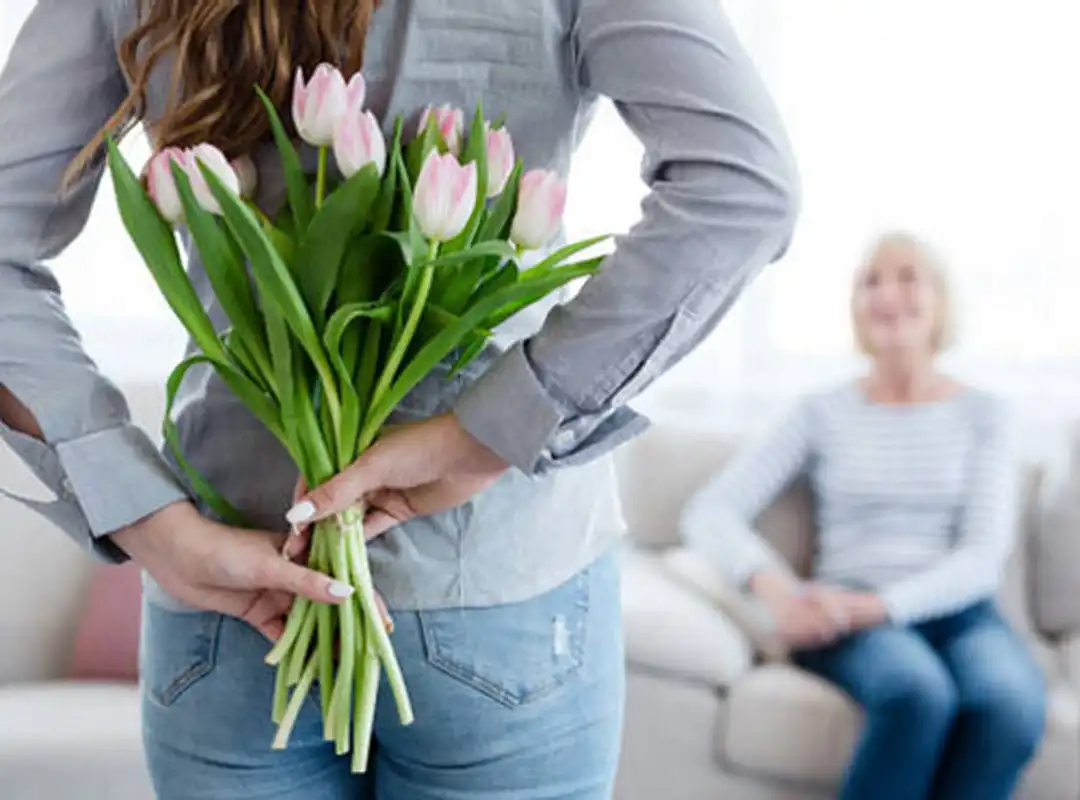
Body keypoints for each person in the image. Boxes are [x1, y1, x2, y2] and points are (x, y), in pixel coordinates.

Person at [0, 1, 798, 798]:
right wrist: (490, 433)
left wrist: (148, 520)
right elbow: (745, 186)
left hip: (230, 572)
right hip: (493, 572)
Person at [681, 231, 1046, 800]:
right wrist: (780, 593)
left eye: (907, 277)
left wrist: (879, 608)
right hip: (841, 610)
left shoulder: (987, 414)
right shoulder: (821, 411)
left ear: (941, 302)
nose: (886, 294)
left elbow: (983, 556)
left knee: (1009, 706)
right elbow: (710, 510)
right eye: (870, 280)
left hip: (959, 614)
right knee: (916, 695)